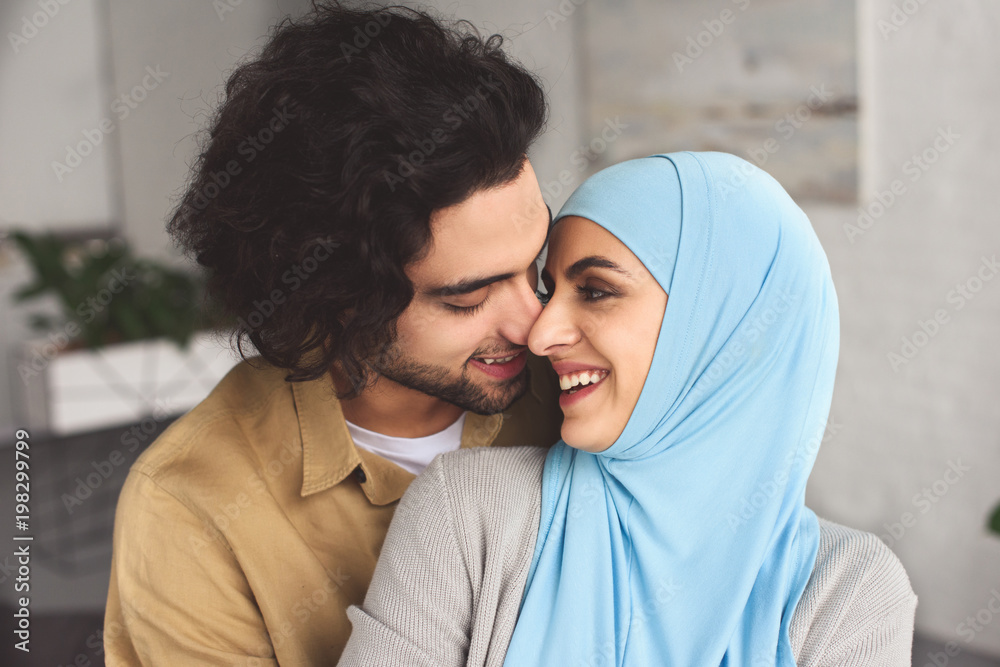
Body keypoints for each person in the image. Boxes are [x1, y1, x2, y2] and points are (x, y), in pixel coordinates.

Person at [102, 3, 563, 664]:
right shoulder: (191, 508)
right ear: (336, 295)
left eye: (535, 268)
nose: (536, 323)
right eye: (468, 298)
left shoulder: (584, 395)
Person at [338, 152, 919, 666]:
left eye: (594, 290)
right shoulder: (469, 511)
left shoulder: (848, 589)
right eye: (552, 288)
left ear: (719, 324)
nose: (540, 334)